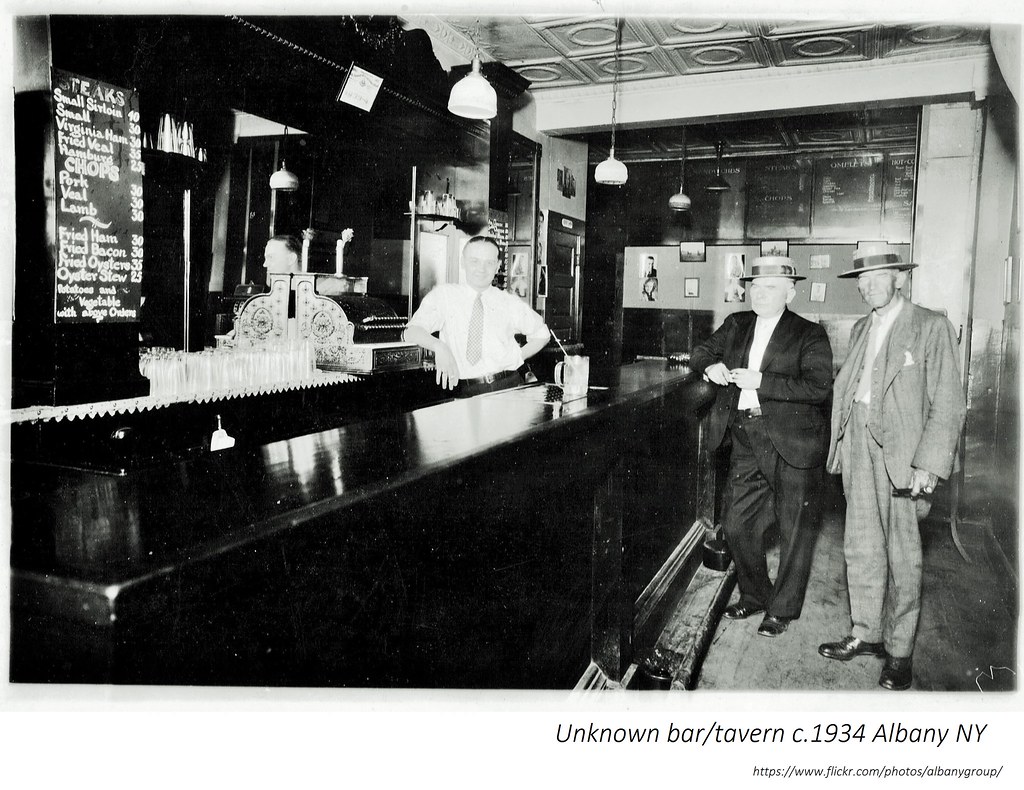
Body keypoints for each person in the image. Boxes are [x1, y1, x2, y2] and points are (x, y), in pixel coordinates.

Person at [820, 244, 965, 691]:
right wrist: (842, 441)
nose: (866, 288)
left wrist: (928, 464)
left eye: (876, 278)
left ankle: (899, 652)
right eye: (860, 281)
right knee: (860, 542)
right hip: (859, 442)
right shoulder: (863, 325)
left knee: (903, 553)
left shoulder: (930, 325)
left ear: (899, 278)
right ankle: (866, 632)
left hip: (904, 452)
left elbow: (948, 402)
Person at [690, 257, 833, 638]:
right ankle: (755, 595)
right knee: (736, 524)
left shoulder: (809, 334)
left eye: (770, 287)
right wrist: (710, 368)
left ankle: (782, 610)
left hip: (793, 441)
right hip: (745, 436)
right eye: (755, 286)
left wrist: (760, 381)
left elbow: (818, 388)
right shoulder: (737, 323)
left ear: (790, 292)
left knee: (794, 529)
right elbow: (700, 350)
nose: (759, 293)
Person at [404, 236, 550, 397]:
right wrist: (439, 346)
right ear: (463, 262)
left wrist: (516, 357)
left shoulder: (508, 301)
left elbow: (542, 334)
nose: (482, 269)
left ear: (498, 267)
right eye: (474, 261)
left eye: (489, 263)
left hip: (508, 386)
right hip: (464, 390)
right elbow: (411, 331)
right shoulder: (444, 295)